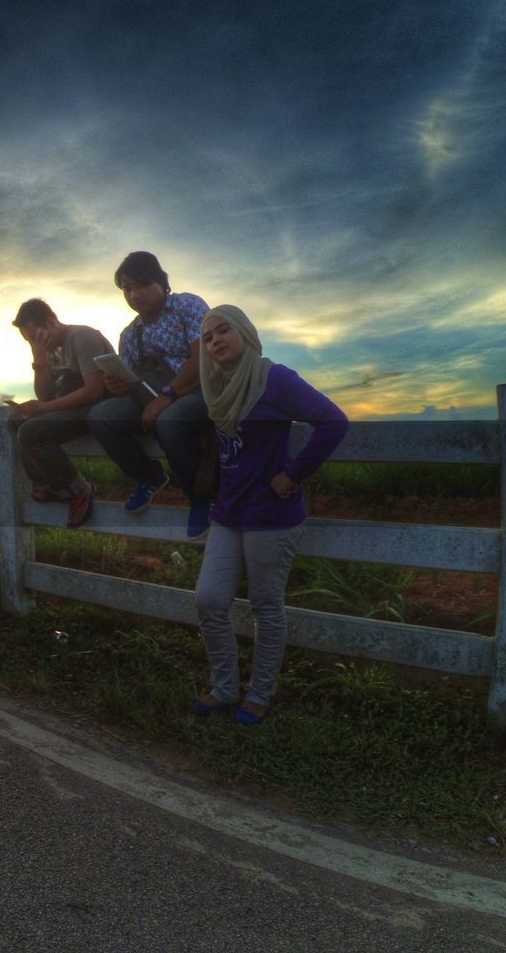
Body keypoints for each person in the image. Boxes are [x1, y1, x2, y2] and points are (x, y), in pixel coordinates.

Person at [191, 304, 348, 725]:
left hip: (272, 514)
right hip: (229, 512)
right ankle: (224, 688)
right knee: (209, 599)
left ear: (245, 332)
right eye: (207, 337)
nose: (215, 341)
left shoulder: (274, 379)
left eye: (223, 330)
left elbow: (333, 421)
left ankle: (259, 694)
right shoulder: (216, 386)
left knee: (265, 605)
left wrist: (293, 474)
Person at [87, 251, 213, 537]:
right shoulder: (130, 334)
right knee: (100, 417)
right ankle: (149, 477)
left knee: (169, 420)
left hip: (198, 390)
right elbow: (130, 380)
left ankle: (201, 497)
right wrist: (116, 387)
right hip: (152, 396)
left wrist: (167, 396)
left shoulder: (188, 306)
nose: (134, 295)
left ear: (160, 282)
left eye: (141, 285)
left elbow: (201, 358)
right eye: (126, 289)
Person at [8, 298, 115, 528]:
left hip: (97, 406)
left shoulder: (81, 337)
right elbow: (46, 395)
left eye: (35, 337)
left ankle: (78, 490)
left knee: (30, 433)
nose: (34, 342)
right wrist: (39, 361)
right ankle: (46, 483)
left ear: (50, 322)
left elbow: (94, 391)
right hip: (70, 406)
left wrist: (44, 409)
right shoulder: (49, 351)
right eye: (29, 340)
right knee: (15, 420)